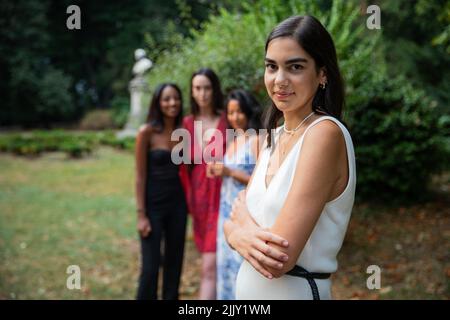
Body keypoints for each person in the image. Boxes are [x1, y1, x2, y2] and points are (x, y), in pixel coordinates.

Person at [224, 15, 356, 300]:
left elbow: (279, 258)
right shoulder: (273, 136)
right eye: (271, 67)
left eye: (295, 67)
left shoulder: (325, 134)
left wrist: (236, 233)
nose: (280, 80)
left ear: (322, 73)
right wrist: (233, 225)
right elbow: (232, 213)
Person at [208, 89, 262, 300]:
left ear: (248, 111)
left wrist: (230, 171)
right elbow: (231, 173)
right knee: (226, 271)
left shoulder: (256, 140)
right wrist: (218, 170)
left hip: (245, 215)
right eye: (230, 112)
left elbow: (263, 184)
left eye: (239, 111)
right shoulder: (233, 140)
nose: (234, 117)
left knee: (242, 272)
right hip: (226, 214)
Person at [135, 83, 188, 300]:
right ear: (158, 102)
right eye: (166, 99)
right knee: (150, 268)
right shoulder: (146, 132)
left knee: (174, 265)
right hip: (153, 207)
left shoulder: (183, 132)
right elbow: (139, 176)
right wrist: (141, 215)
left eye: (176, 98)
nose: (172, 103)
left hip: (178, 206)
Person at [182, 68, 227, 299]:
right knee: (215, 262)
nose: (203, 93)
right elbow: (182, 169)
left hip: (223, 197)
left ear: (214, 90)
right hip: (198, 200)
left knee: (210, 266)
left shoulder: (227, 120)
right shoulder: (187, 124)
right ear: (192, 91)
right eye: (198, 88)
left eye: (207, 88)